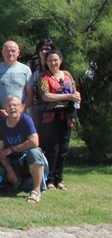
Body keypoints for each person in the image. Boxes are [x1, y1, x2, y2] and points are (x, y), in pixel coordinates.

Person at [38, 50, 80, 190]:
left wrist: (76, 97)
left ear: (60, 60)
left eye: (55, 60)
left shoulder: (67, 75)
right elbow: (45, 96)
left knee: (64, 148)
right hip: (51, 117)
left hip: (66, 116)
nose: (53, 63)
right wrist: (67, 97)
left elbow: (74, 91)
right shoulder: (43, 77)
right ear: (46, 62)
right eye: (50, 60)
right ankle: (49, 180)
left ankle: (59, 179)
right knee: (52, 149)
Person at [0, 96, 45, 203]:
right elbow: (0, 153)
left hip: (26, 160)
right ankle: (17, 182)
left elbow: (34, 142)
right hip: (9, 162)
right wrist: (10, 171)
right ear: (5, 109)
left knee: (34, 151)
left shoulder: (26, 120)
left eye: (15, 105)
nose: (12, 108)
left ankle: (36, 190)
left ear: (21, 107)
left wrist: (11, 149)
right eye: (9, 105)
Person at [0, 41, 34, 117]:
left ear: (18, 53)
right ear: (3, 52)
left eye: (13, 51)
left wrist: (22, 108)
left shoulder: (26, 70)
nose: (10, 53)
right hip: (2, 114)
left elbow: (30, 93)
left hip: (21, 114)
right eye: (7, 51)